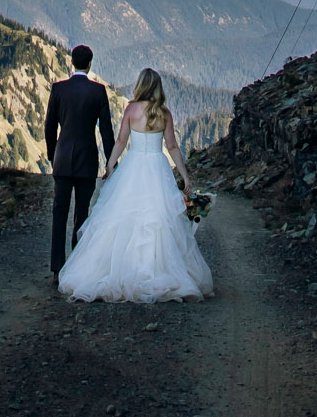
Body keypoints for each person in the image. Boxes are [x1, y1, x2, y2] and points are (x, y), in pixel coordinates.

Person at [57, 65, 213, 303]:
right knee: (159, 219)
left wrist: (110, 166)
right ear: (158, 87)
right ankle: (157, 270)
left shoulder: (131, 110)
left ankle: (120, 270)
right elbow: (172, 147)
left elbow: (121, 140)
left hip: (133, 167)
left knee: (120, 216)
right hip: (157, 169)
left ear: (140, 85)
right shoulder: (164, 113)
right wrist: (185, 176)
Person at [43, 44, 115, 284]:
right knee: (81, 214)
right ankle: (77, 264)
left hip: (63, 159)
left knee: (59, 213)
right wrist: (110, 161)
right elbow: (105, 129)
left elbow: (50, 125)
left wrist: (53, 155)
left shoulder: (58, 89)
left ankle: (56, 269)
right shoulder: (98, 92)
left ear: (72, 62)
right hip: (87, 161)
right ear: (90, 63)